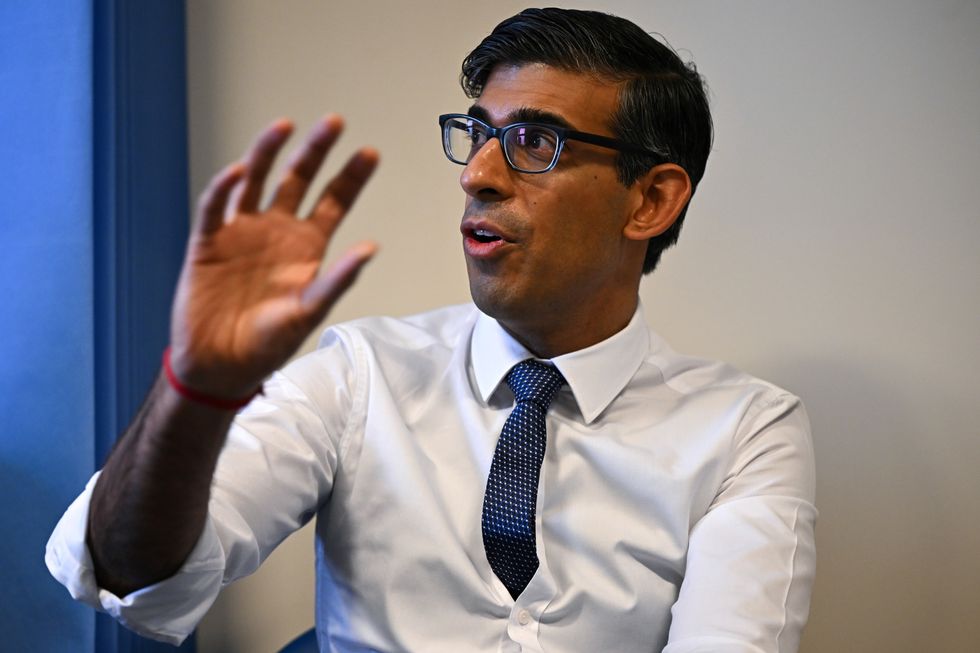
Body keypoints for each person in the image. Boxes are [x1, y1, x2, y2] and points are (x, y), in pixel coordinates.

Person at [47, 8, 816, 653]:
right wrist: (196, 390)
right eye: (477, 133)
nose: (477, 173)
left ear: (649, 200)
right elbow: (128, 574)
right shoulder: (360, 373)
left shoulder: (747, 431)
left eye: (534, 142)